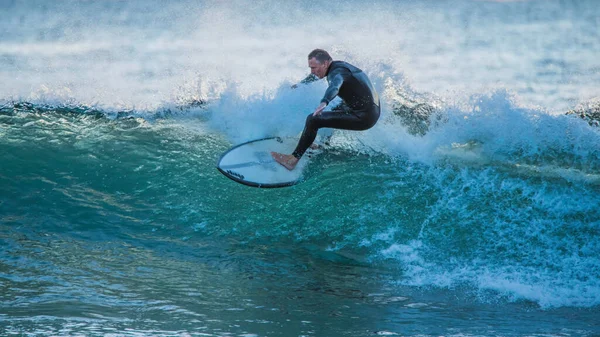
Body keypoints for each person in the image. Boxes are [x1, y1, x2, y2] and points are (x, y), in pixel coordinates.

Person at [271, 49, 380, 170]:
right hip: (368, 108)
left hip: (364, 116)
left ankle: (292, 160)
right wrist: (300, 85)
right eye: (310, 68)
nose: (312, 71)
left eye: (314, 68)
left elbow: (335, 86)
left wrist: (325, 101)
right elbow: (316, 76)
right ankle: (322, 145)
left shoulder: (336, 74)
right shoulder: (337, 66)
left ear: (325, 63)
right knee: (333, 110)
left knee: (313, 119)